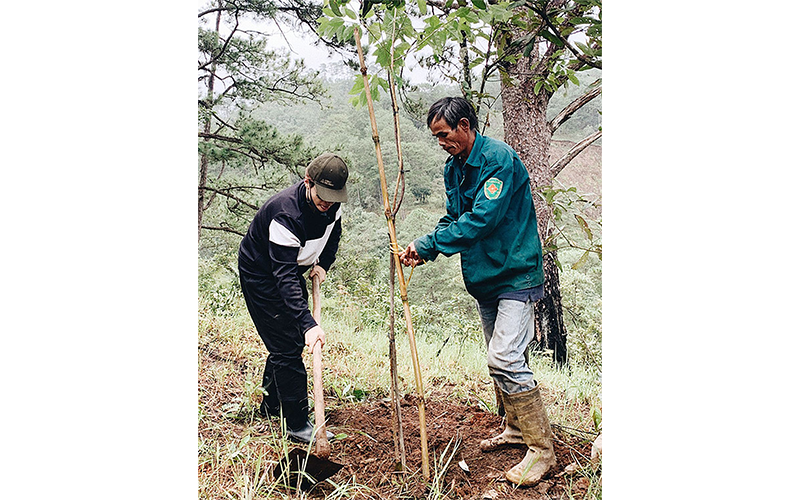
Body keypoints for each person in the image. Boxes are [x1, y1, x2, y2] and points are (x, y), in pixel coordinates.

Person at [399, 97, 556, 486]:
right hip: (485, 277)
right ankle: (517, 430)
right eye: (436, 137)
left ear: (465, 126)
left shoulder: (497, 160)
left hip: (516, 274)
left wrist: (430, 243)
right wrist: (427, 248)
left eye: (444, 134)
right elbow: (454, 218)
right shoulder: (454, 169)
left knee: (504, 358)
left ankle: (542, 450)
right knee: (500, 358)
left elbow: (482, 219)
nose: (441, 142)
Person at [238, 152, 348, 444]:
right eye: (322, 195)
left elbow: (333, 233)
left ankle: (271, 406)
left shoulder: (332, 206)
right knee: (287, 345)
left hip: (290, 267)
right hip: (262, 273)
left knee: (287, 340)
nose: (327, 203)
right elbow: (284, 277)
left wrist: (323, 263)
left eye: (333, 197)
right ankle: (297, 423)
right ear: (307, 181)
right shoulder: (286, 214)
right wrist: (308, 323)